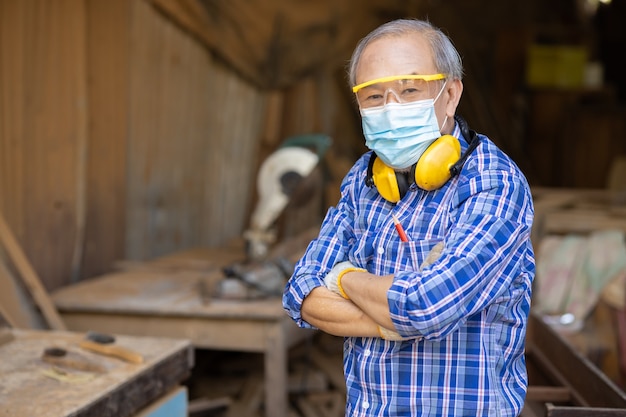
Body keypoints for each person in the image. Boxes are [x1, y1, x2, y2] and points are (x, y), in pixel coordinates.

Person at [282, 18, 535, 417]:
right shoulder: (364, 179)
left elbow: (427, 306)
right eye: (374, 97)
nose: (390, 108)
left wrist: (344, 277)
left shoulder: (494, 183)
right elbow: (302, 293)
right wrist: (390, 318)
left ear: (450, 95)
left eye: (410, 90)